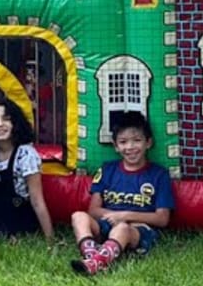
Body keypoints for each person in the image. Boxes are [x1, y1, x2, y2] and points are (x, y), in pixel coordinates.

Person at [71, 112, 174, 275]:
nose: (130, 147)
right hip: (107, 222)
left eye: (137, 140)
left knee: (122, 228)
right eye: (123, 142)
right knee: (78, 216)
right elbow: (93, 210)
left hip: (137, 229)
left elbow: (162, 218)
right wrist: (115, 215)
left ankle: (98, 262)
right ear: (116, 146)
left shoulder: (159, 175)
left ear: (148, 143)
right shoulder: (107, 169)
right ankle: (92, 256)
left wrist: (125, 216)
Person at [0, 98, 56, 244]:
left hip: (15, 214)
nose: (0, 124)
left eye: (6, 119)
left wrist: (50, 239)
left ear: (15, 123)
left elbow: (37, 200)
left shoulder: (26, 155)